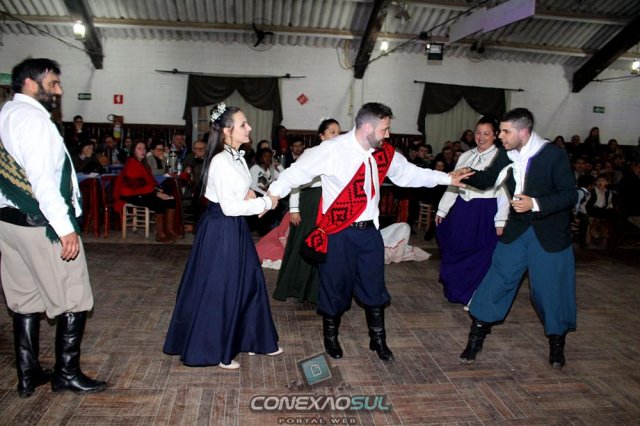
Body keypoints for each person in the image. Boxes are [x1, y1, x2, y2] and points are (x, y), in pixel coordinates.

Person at [268, 103, 471, 362]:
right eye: (384, 129)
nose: (388, 134)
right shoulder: (332, 150)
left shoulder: (384, 153)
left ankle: (378, 340)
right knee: (334, 285)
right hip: (337, 233)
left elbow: (409, 174)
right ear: (367, 127)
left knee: (374, 286)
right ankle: (331, 337)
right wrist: (271, 196)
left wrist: (447, 179)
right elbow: (295, 173)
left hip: (369, 234)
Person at [0, 58, 107, 397]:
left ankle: (29, 373)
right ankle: (66, 374)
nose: (59, 90)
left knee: (25, 299)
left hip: (9, 222)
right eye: (53, 83)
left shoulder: (6, 113)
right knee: (74, 298)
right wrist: (64, 228)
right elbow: (43, 181)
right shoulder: (35, 122)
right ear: (31, 83)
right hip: (40, 225)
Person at [455, 108, 577, 369]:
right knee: (497, 281)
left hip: (549, 233)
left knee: (550, 291)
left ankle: (557, 344)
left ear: (524, 132)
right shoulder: (506, 153)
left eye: (505, 131)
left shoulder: (553, 154)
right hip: (518, 230)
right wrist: (464, 174)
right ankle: (476, 339)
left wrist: (535, 203)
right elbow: (489, 179)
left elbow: (570, 195)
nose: (500, 136)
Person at [164, 104, 282, 369]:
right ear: (227, 130)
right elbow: (229, 207)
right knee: (222, 288)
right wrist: (265, 203)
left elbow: (239, 191)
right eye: (243, 124)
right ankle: (216, 349)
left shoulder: (236, 156)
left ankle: (252, 339)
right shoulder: (220, 160)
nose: (249, 128)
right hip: (222, 228)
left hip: (235, 227)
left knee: (249, 280)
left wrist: (253, 196)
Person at [435, 116, 509, 305]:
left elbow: (504, 191)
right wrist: (443, 209)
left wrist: (501, 219)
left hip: (485, 210)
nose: (481, 137)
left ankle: (475, 295)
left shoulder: (500, 157)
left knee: (481, 254)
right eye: (478, 133)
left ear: (495, 135)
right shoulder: (465, 156)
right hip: (463, 209)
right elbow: (454, 183)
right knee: (455, 247)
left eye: (486, 133)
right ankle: (457, 289)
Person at [273, 118, 341, 304]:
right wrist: (294, 209)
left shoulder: (342, 155)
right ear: (321, 136)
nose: (336, 135)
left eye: (338, 132)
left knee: (326, 247)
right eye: (332, 131)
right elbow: (294, 180)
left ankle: (316, 291)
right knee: (304, 245)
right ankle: (296, 287)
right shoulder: (311, 153)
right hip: (311, 202)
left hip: (331, 204)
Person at [113, 141, 180, 243]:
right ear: (134, 151)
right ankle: (160, 234)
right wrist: (156, 193)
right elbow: (135, 185)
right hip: (130, 194)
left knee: (171, 200)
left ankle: (169, 230)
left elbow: (149, 182)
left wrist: (157, 190)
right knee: (160, 202)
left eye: (144, 148)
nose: (143, 151)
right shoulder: (132, 163)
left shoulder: (143, 163)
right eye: (139, 148)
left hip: (142, 192)